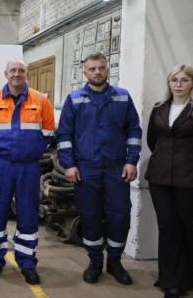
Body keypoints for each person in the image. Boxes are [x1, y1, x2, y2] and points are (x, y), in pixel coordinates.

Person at [56, 52, 142, 286]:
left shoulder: (122, 97)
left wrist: (132, 160)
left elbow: (134, 130)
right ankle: (95, 261)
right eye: (92, 69)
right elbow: (64, 135)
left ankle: (114, 262)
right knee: (90, 215)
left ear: (107, 69)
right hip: (86, 169)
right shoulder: (74, 99)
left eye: (101, 68)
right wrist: (69, 165)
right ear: (85, 72)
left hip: (116, 168)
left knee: (120, 216)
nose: (97, 72)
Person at [145, 65, 193, 298]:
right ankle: (169, 279)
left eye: (184, 80)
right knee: (167, 226)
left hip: (189, 179)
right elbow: (152, 141)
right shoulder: (158, 109)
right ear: (169, 83)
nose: (178, 84)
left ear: (192, 84)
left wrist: (191, 161)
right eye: (174, 80)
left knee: (186, 226)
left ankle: (183, 280)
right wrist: (165, 159)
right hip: (159, 177)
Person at [0, 59, 55, 285]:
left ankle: (27, 262)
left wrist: (33, 151)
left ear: (26, 74)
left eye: (21, 70)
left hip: (28, 167)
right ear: (6, 74)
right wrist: (0, 151)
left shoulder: (40, 100)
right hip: (0, 165)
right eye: (13, 70)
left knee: (28, 213)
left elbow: (49, 132)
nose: (17, 74)